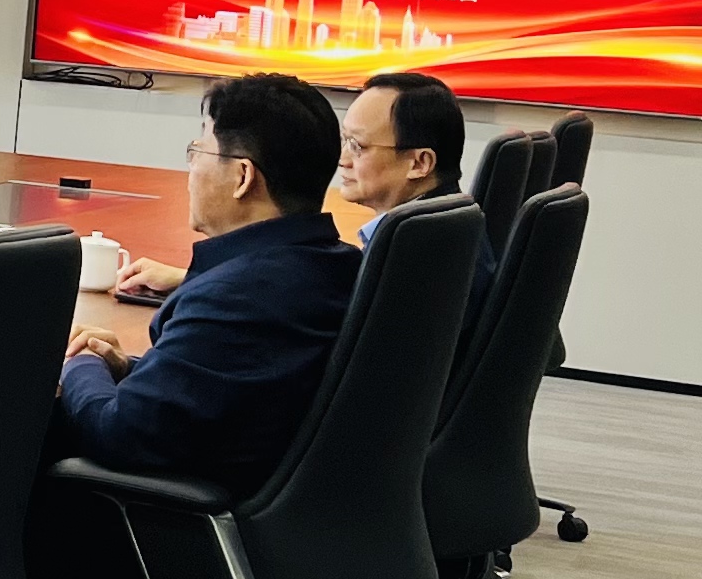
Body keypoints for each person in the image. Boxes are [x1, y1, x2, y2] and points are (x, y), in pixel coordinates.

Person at [47, 73, 361, 490]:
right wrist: (127, 369)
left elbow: (119, 433)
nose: (191, 167)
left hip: (167, 505)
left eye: (197, 151)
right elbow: (230, 384)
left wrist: (80, 363)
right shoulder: (339, 265)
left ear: (242, 177)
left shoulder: (238, 296)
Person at [116, 68, 476, 303]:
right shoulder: (440, 229)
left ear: (419, 163)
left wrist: (216, 290)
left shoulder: (413, 257)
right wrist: (192, 280)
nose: (342, 159)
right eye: (344, 141)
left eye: (358, 146)